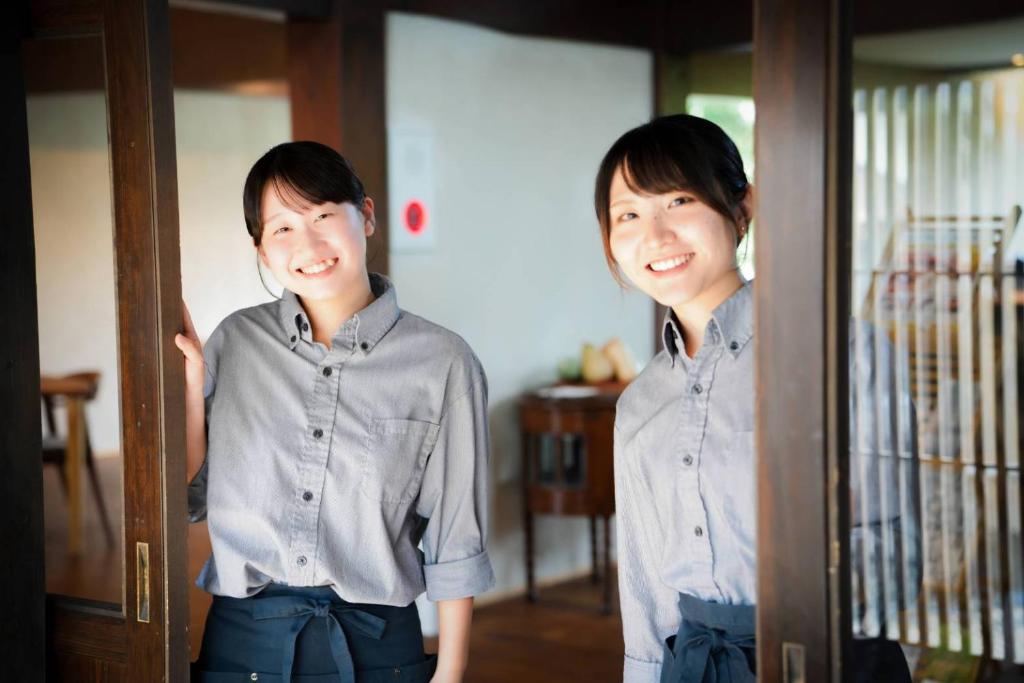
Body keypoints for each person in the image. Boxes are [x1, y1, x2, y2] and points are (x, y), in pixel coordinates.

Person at [595, 114, 916, 683]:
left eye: (680, 200)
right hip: (693, 666)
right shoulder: (640, 403)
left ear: (742, 208)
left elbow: (894, 548)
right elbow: (644, 586)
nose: (657, 235)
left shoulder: (837, 352)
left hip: (826, 658)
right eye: (630, 214)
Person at [175, 141, 493, 683]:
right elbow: (187, 495)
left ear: (365, 216)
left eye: (324, 215)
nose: (309, 243)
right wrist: (186, 391)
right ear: (260, 249)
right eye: (282, 228)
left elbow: (456, 537)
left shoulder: (442, 361)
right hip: (241, 647)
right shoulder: (235, 342)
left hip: (379, 649)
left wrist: (452, 671)